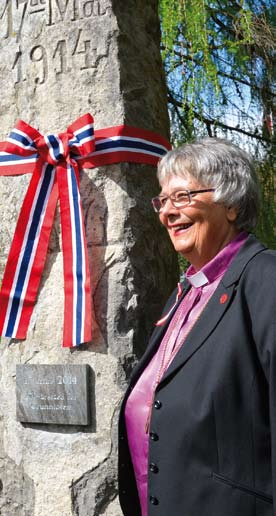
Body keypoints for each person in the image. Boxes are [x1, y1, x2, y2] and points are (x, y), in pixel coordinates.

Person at [118, 138, 276, 515]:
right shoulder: (185, 293)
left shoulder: (264, 277)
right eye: (163, 201)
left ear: (233, 205)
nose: (167, 212)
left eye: (183, 197)